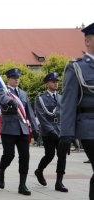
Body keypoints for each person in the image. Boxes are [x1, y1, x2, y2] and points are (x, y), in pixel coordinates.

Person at [58, 22, 94, 200]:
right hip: (89, 126)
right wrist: (66, 133)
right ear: (87, 41)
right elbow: (69, 101)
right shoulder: (77, 67)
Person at [0, 68, 39, 196]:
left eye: (18, 77)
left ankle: (22, 185)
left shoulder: (24, 94)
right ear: (8, 79)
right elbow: (2, 99)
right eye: (14, 78)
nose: (16, 80)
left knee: (25, 157)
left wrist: (36, 129)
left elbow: (30, 112)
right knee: (9, 155)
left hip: (23, 129)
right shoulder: (3, 91)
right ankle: (1, 170)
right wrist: (10, 101)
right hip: (9, 129)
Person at [34, 72, 68, 192]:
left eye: (56, 81)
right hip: (48, 130)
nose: (56, 83)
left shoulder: (61, 97)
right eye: (53, 81)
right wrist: (52, 131)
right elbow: (41, 117)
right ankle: (39, 171)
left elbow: (65, 115)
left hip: (61, 129)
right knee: (50, 154)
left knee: (62, 155)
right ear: (47, 84)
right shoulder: (40, 98)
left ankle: (59, 182)